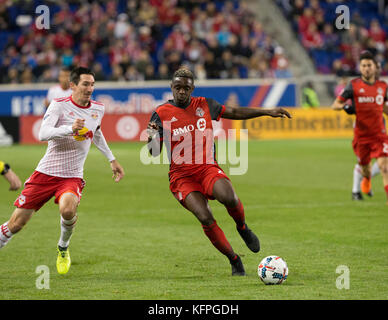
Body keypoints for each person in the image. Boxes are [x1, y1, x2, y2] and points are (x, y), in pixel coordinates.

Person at [146, 68, 291, 276]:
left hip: (207, 168)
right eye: (177, 87)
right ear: (171, 88)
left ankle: (242, 227)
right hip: (182, 177)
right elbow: (153, 152)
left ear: (192, 89)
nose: (181, 92)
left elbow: (235, 112)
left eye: (186, 88)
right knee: (205, 217)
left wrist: (266, 111)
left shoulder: (205, 105)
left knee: (228, 196)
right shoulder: (161, 113)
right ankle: (234, 259)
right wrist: (152, 135)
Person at [0, 67, 125, 275]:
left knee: (68, 209)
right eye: (85, 84)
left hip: (72, 175)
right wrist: (70, 129)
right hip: (46, 173)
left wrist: (112, 159)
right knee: (16, 223)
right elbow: (43, 133)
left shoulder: (98, 109)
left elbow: (97, 133)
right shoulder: (59, 105)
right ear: (73, 85)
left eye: (92, 84)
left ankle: (63, 247)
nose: (90, 88)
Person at [332, 51, 388, 203]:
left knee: (384, 166)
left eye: (369, 65)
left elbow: (383, 107)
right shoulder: (354, 85)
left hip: (380, 134)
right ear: (360, 67)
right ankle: (366, 179)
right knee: (365, 168)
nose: (366, 68)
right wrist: (345, 108)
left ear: (375, 67)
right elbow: (335, 104)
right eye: (363, 66)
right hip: (362, 135)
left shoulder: (383, 86)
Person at [341, 61, 383, 200]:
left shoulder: (381, 86)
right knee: (365, 162)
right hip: (364, 128)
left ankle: (363, 184)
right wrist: (350, 108)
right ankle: (356, 190)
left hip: (378, 126)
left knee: (382, 159)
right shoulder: (359, 86)